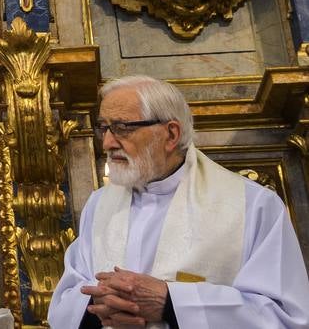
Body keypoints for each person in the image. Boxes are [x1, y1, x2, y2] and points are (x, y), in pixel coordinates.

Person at [48, 75, 309, 328]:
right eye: (104, 127)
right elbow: (65, 301)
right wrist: (99, 304)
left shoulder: (253, 205)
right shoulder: (99, 205)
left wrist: (170, 304)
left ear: (171, 134)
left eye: (122, 128)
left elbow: (286, 317)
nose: (107, 143)